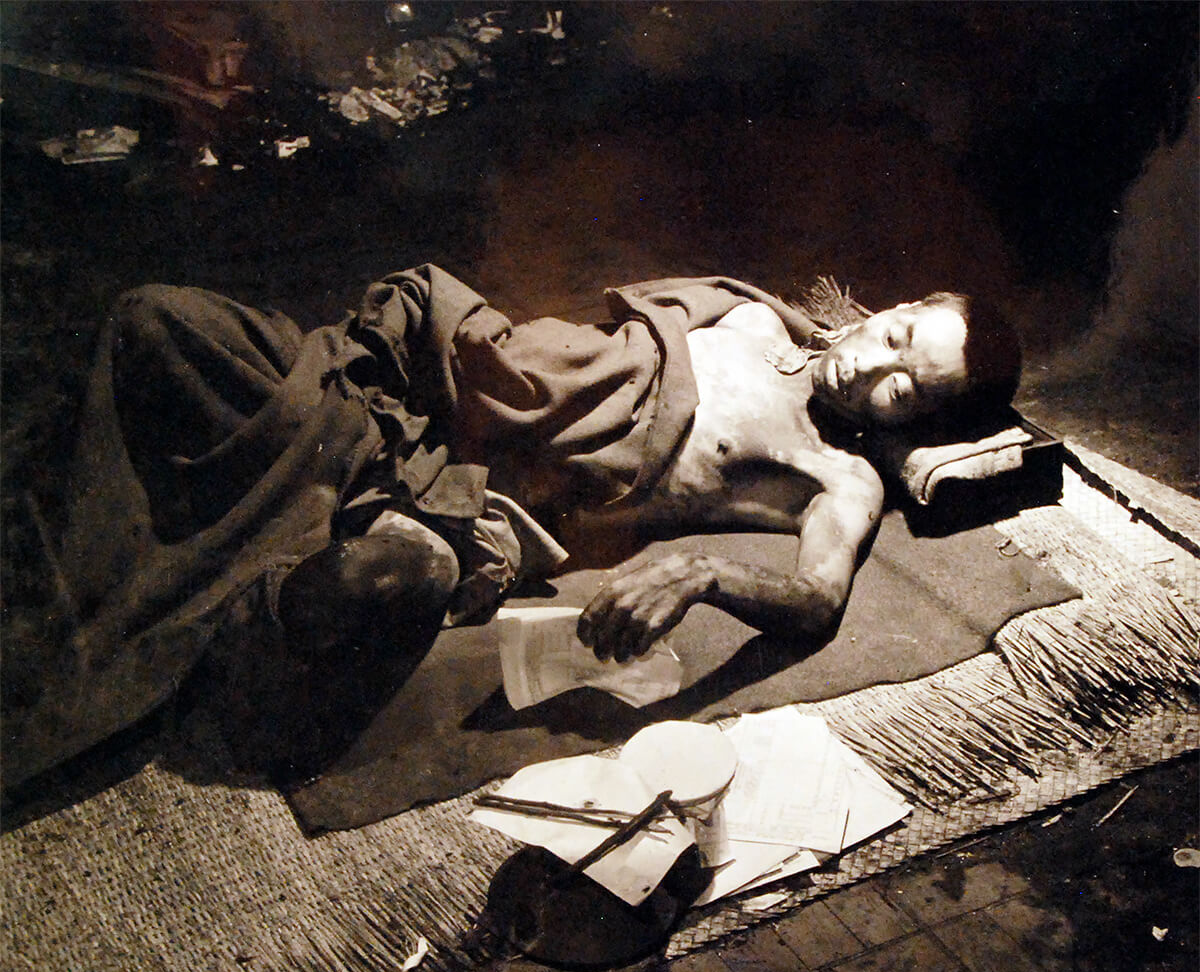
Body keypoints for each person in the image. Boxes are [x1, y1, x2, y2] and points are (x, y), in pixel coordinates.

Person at [2, 266, 1020, 788]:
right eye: (893, 336)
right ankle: (71, 562)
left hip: (494, 505)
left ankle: (163, 623)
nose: (871, 368)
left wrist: (700, 570)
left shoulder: (837, 476)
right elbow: (591, 338)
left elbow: (816, 597)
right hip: (436, 395)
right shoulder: (755, 319)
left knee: (371, 582)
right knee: (154, 321)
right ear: (894, 305)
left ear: (919, 423)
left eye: (905, 392)